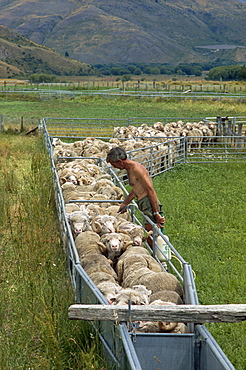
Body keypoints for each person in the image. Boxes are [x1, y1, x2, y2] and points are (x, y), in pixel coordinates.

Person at [106, 147, 165, 246]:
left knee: (152, 233)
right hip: (143, 202)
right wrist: (125, 203)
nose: (114, 168)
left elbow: (150, 190)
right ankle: (156, 255)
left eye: (113, 164)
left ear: (120, 161)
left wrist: (156, 213)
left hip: (148, 203)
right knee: (150, 231)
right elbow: (136, 189)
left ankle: (159, 258)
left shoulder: (137, 169)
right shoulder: (130, 169)